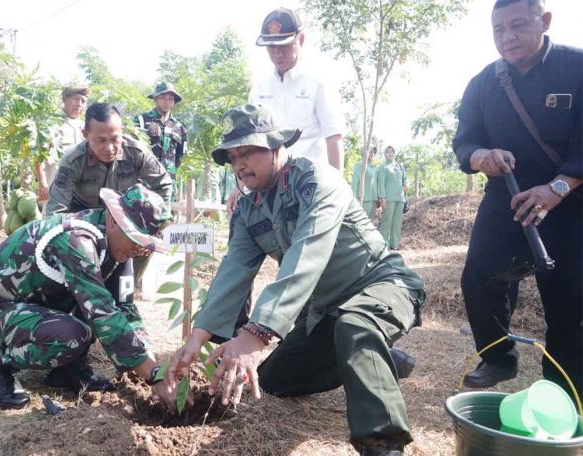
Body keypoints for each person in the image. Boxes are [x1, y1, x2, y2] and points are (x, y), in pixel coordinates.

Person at [167, 105, 425, 456]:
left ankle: (382, 442)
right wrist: (196, 339)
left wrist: (256, 333)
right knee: (274, 380)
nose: (240, 164)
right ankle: (380, 359)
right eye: (233, 156)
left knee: (356, 325)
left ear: (276, 147)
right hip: (325, 310)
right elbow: (234, 270)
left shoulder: (317, 180)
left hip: (379, 283)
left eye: (248, 152)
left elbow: (306, 256)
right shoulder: (247, 210)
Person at [452, 0, 581, 398]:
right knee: (480, 272)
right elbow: (465, 141)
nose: (507, 38)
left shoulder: (577, 68)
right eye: (498, 30)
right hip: (505, 196)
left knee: (569, 298)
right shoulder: (483, 82)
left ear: (544, 22)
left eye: (518, 26)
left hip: (570, 199)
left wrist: (557, 188)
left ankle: (563, 390)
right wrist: (481, 157)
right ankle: (498, 355)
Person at [0, 183, 178, 410]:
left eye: (147, 247)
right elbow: (102, 313)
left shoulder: (117, 249)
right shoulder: (77, 240)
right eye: (137, 241)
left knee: (92, 318)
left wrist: (151, 362)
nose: (141, 251)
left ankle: (67, 371)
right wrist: (153, 376)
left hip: (36, 306)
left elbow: (124, 308)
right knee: (71, 334)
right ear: (114, 221)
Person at [225, 7, 346, 215]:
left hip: (309, 186)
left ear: (301, 39)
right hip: (267, 187)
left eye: (284, 46)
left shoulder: (318, 82)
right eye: (271, 47)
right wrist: (239, 186)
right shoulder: (260, 87)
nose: (277, 53)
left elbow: (333, 138)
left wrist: (337, 191)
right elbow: (246, 144)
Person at [45, 102, 172, 215]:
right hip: (82, 219)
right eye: (101, 140)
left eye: (115, 139)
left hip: (125, 217)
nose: (109, 148)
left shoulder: (137, 153)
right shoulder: (73, 161)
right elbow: (56, 211)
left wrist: (157, 220)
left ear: (122, 132)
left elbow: (164, 184)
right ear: (86, 134)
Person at [34, 86, 89, 204]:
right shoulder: (51, 125)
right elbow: (38, 157)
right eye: (76, 99)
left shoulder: (85, 127)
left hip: (79, 194)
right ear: (64, 100)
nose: (79, 104)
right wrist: (43, 184)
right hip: (55, 191)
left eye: (83, 101)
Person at [135, 82, 188, 201]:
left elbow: (180, 155)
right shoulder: (141, 121)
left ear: (174, 102)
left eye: (170, 99)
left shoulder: (180, 127)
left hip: (168, 182)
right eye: (162, 97)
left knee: (167, 217)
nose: (166, 102)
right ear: (155, 99)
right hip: (144, 182)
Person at [377, 146, 408, 250]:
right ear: (385, 154)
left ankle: (394, 246)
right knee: (386, 223)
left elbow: (405, 178)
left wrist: (406, 184)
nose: (390, 153)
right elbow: (380, 184)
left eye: (392, 151)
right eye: (388, 152)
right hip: (388, 199)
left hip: (400, 199)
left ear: (395, 153)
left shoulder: (399, 166)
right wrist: (382, 198)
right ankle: (384, 247)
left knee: (397, 224)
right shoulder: (383, 167)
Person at [352, 146, 379, 218]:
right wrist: (355, 198)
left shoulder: (373, 167)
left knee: (370, 225)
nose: (372, 154)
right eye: (370, 152)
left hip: (373, 200)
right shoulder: (360, 164)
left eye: (373, 152)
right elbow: (355, 181)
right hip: (363, 200)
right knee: (361, 224)